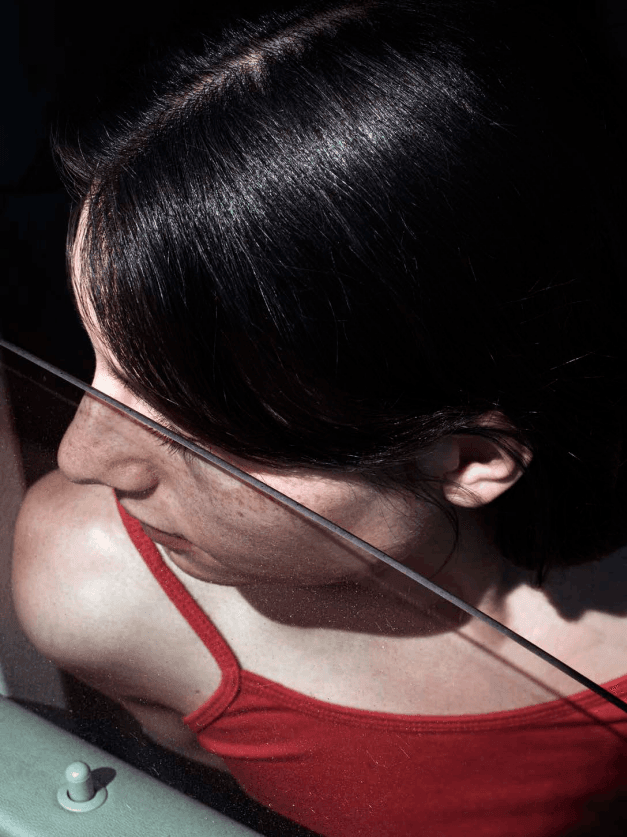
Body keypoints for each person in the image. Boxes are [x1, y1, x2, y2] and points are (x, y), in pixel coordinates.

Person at [11, 1, 627, 834]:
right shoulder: (93, 589)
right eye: (99, 359)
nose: (83, 454)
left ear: (464, 460)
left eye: (195, 413)